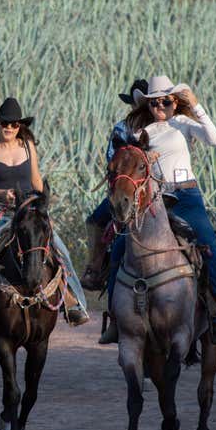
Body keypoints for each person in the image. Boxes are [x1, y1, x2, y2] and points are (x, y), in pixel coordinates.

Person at [101, 75, 216, 345]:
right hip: (155, 199)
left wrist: (196, 106)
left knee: (209, 246)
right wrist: (143, 156)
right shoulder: (143, 133)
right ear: (148, 106)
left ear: (175, 102)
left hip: (186, 195)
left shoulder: (184, 123)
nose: (160, 107)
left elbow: (214, 139)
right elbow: (125, 160)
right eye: (154, 103)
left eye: (166, 101)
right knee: (119, 248)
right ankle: (116, 319)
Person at [0, 97, 89, 325]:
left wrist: (43, 210)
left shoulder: (28, 148)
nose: (9, 128)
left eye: (14, 124)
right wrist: (2, 194)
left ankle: (75, 304)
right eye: (4, 123)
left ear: (20, 126)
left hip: (28, 212)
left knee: (61, 251)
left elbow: (37, 183)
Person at [82, 79, 148, 290]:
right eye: (136, 103)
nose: (138, 107)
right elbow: (113, 160)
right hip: (125, 186)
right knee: (96, 220)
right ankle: (95, 266)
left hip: (151, 186)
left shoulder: (160, 127)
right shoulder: (122, 128)